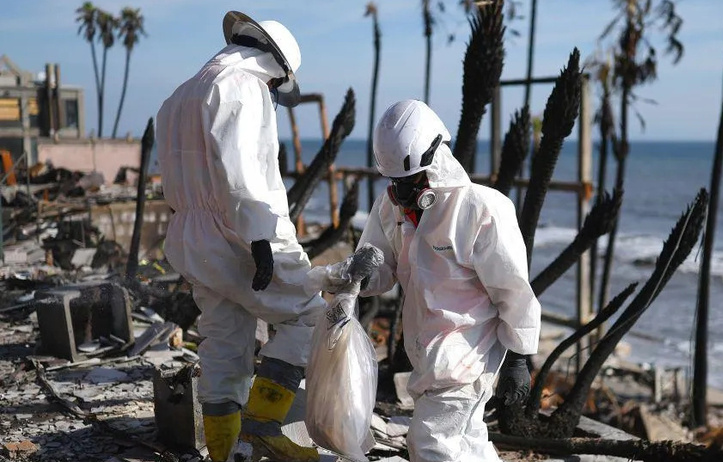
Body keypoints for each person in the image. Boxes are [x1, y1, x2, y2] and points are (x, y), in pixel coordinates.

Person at [314, 99, 541, 461]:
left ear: (436, 160)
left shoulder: (479, 209)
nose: (403, 192)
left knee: (431, 442)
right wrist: (361, 272)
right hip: (429, 354)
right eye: (395, 182)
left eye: (411, 182)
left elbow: (512, 291)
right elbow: (382, 268)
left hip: (469, 353)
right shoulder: (392, 207)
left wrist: (518, 358)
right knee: (467, 442)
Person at [156, 11, 322, 462]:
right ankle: (264, 426)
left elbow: (174, 177)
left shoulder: (179, 95)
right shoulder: (244, 87)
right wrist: (261, 238)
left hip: (193, 238)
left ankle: (225, 453)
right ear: (277, 68)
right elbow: (242, 172)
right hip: (241, 235)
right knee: (312, 314)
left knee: (223, 339)